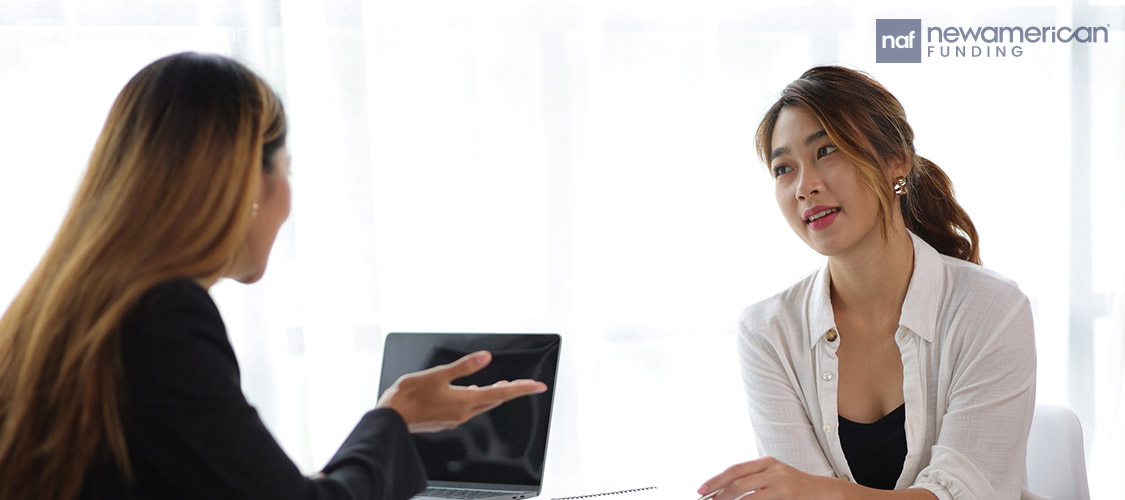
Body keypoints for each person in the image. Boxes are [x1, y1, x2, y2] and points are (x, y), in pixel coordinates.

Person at [0, 52, 548, 500]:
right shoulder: (163, 317)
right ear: (245, 186)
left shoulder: (56, 312)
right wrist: (393, 419)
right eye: (287, 170)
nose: (289, 196)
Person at [698, 66, 1041, 500]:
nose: (805, 187)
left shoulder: (991, 309)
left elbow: (967, 495)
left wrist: (830, 494)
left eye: (827, 150)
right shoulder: (768, 331)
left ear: (896, 160)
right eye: (783, 168)